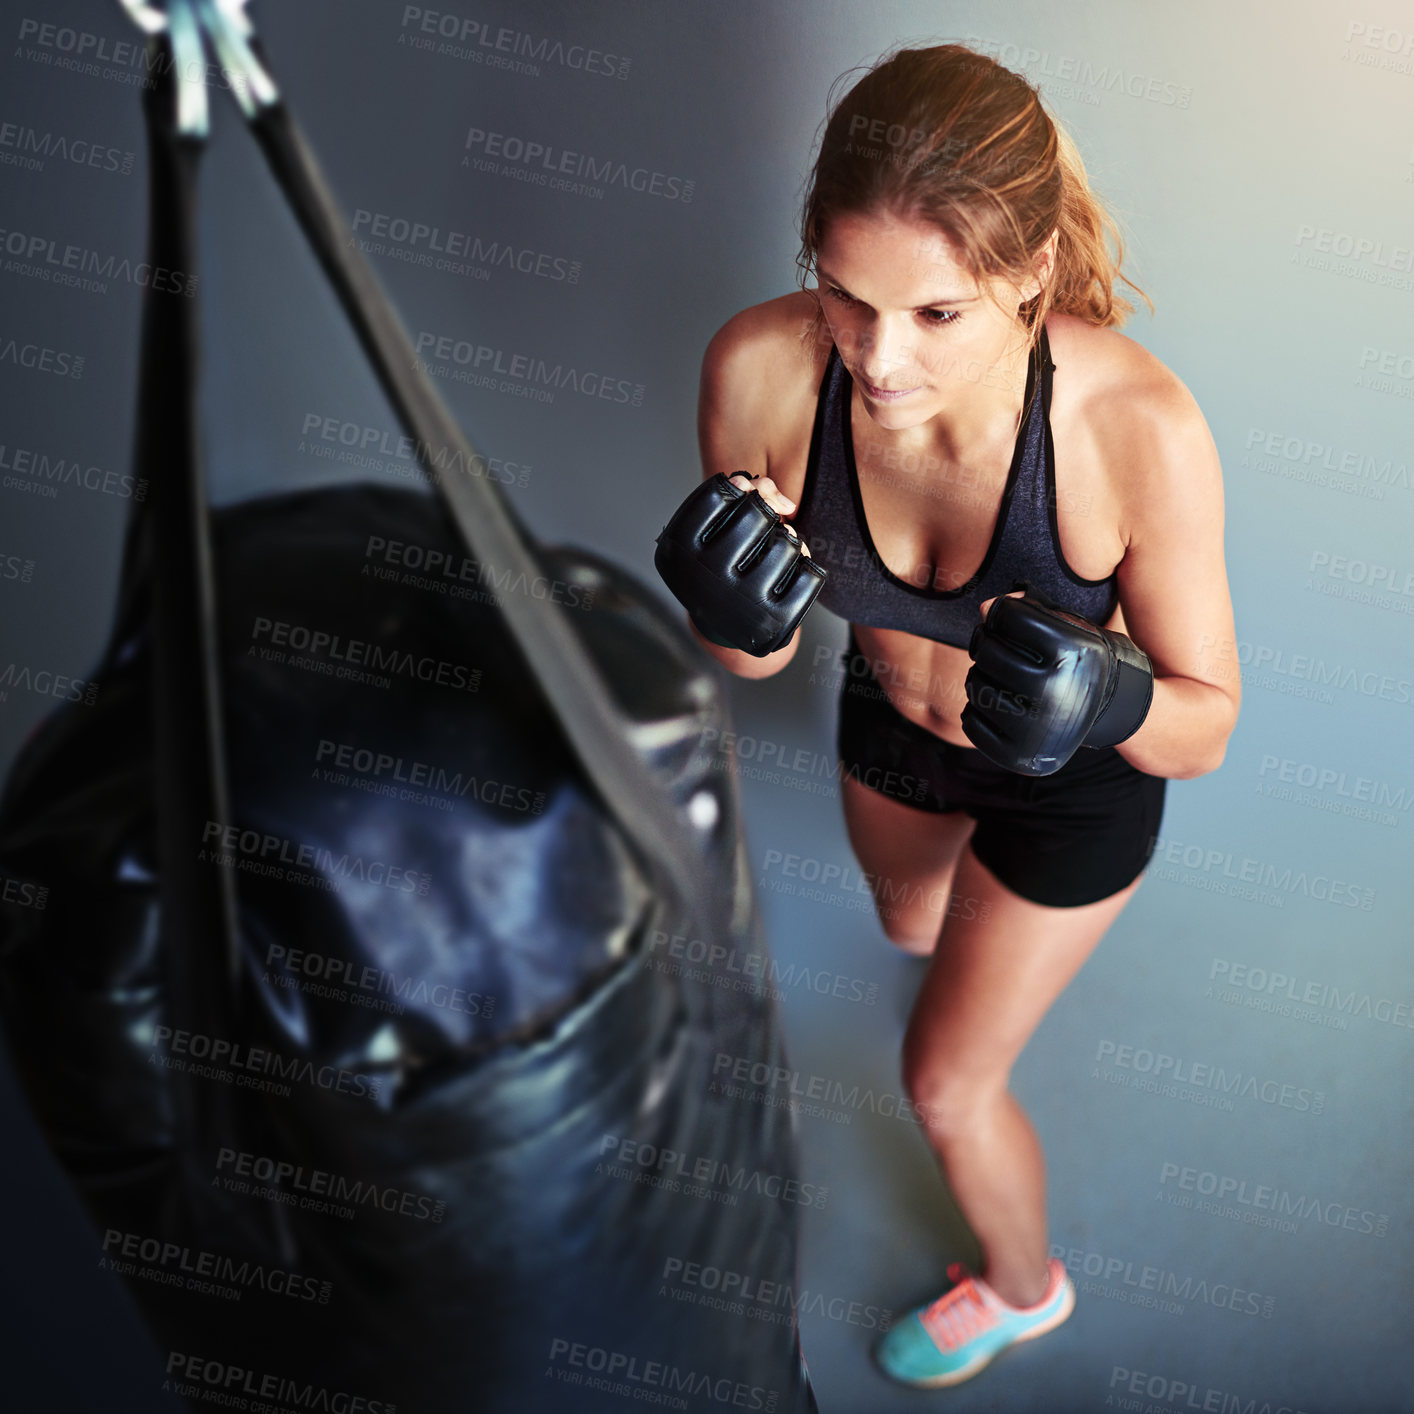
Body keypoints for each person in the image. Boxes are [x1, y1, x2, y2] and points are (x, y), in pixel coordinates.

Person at [687, 42, 1240, 1388]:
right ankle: (967, 953)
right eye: (846, 296)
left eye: (936, 316)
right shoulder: (763, 368)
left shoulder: (1133, 425)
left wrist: (1106, 697)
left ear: (1027, 276)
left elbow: (1204, 723)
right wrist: (727, 617)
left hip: (1073, 779)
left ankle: (1018, 1284)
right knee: (903, 923)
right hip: (890, 721)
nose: (876, 362)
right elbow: (750, 663)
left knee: (943, 1081)